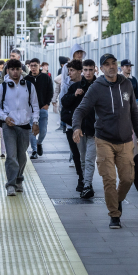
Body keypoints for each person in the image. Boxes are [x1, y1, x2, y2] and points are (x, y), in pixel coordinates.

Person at [72, 54, 138, 229]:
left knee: (127, 178)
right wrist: (76, 127)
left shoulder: (126, 84)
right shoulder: (96, 87)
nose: (111, 67)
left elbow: (134, 111)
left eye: (113, 63)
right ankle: (114, 215)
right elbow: (81, 109)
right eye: (107, 65)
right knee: (109, 179)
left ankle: (117, 200)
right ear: (101, 69)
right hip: (104, 140)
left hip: (126, 140)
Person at [0, 58, 40, 196]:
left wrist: (35, 122)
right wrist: (5, 118)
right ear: (8, 71)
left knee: (22, 156)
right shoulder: (2, 88)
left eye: (17, 69)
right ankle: (11, 184)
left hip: (24, 126)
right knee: (11, 156)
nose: (15, 72)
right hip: (9, 126)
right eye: (12, 69)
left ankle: (19, 179)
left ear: (21, 70)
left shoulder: (29, 86)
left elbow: (35, 106)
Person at [62, 59, 98, 198]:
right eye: (86, 70)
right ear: (82, 71)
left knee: (90, 158)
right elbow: (65, 103)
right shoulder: (76, 86)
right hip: (80, 129)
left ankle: (87, 185)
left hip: (95, 129)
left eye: (90, 69)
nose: (88, 72)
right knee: (83, 158)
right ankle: (85, 182)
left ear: (95, 70)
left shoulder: (100, 85)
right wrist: (74, 94)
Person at [58, 59, 84, 191]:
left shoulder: (88, 84)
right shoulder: (67, 86)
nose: (69, 73)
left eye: (72, 70)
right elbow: (64, 102)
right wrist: (74, 95)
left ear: (80, 71)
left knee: (86, 155)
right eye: (68, 70)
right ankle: (81, 178)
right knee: (76, 154)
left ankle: (86, 180)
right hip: (70, 125)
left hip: (85, 126)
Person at [26, 58, 53, 159]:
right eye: (31, 66)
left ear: (39, 66)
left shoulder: (46, 78)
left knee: (43, 131)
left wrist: (47, 104)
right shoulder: (26, 79)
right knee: (32, 131)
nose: (33, 68)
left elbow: (50, 91)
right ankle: (34, 151)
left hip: (42, 108)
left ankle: (39, 143)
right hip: (30, 110)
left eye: (35, 65)